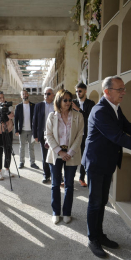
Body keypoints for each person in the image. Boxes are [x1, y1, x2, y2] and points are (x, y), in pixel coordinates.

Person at [83, 76, 131, 258]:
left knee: (102, 201)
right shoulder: (100, 111)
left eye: (124, 89)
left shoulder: (115, 108)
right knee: (95, 202)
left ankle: (100, 235)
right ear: (107, 92)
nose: (124, 92)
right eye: (120, 89)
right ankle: (92, 239)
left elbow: (130, 129)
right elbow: (119, 137)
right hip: (96, 163)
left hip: (107, 161)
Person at [45, 89, 84, 224]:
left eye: (70, 100)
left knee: (69, 185)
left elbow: (80, 136)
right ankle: (56, 212)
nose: (68, 102)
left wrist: (70, 152)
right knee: (55, 184)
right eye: (65, 100)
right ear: (59, 101)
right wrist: (60, 152)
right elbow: (48, 135)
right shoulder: (52, 116)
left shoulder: (78, 116)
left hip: (71, 154)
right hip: (56, 154)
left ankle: (67, 212)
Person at [72, 82, 95, 187]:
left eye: (80, 91)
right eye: (76, 91)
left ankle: (81, 178)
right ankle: (69, 178)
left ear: (85, 91)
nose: (78, 93)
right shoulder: (72, 102)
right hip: (74, 135)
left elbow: (90, 117)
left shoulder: (91, 103)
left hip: (86, 135)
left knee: (83, 157)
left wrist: (78, 110)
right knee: (71, 155)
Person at [33, 87, 54, 183]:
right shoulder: (39, 106)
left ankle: (56, 174)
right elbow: (35, 121)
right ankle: (46, 175)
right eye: (45, 94)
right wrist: (35, 135)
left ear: (53, 95)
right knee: (45, 155)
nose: (46, 95)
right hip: (43, 135)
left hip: (56, 135)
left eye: (48, 93)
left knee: (56, 155)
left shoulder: (57, 105)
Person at [0, 91, 15, 180]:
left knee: (8, 150)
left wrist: (8, 113)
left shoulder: (8, 105)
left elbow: (12, 116)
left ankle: (7, 169)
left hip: (8, 131)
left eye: (3, 97)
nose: (2, 99)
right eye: (0, 98)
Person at [14, 90, 39, 170]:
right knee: (22, 146)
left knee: (31, 147)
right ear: (21, 96)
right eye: (23, 94)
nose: (24, 95)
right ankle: (21, 162)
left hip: (31, 131)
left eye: (26, 94)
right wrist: (16, 130)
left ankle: (32, 162)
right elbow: (16, 119)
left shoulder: (33, 106)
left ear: (28, 95)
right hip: (22, 130)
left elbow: (36, 119)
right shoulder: (18, 106)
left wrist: (36, 131)